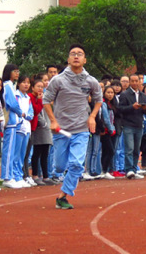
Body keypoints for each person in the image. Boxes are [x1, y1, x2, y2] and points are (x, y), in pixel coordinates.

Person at [43, 44, 102, 209]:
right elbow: (46, 101)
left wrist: (92, 117)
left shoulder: (91, 81)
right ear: (68, 59)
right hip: (61, 129)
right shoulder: (58, 80)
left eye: (80, 54)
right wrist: (53, 120)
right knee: (60, 167)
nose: (76, 56)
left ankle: (63, 196)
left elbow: (99, 99)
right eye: (73, 54)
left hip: (81, 129)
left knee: (76, 164)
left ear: (85, 59)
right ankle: (64, 178)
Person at [118, 74, 146, 179]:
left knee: (137, 149)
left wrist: (145, 108)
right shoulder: (125, 94)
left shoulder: (142, 95)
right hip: (128, 125)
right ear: (130, 82)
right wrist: (132, 107)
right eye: (133, 81)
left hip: (139, 124)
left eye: (137, 81)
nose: (135, 83)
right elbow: (120, 109)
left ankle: (134, 168)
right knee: (129, 148)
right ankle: (129, 170)